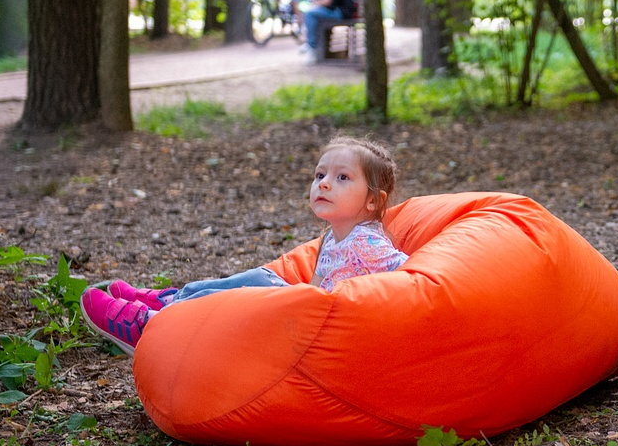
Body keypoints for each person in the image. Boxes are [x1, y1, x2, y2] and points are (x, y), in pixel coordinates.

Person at [79, 136, 409, 357]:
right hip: (311, 319)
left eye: (342, 178)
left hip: (325, 335)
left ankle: (153, 323)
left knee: (264, 285)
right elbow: (316, 289)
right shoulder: (331, 238)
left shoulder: (367, 240)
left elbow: (410, 275)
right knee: (263, 280)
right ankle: (171, 301)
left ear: (371, 201)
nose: (322, 183)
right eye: (320, 174)